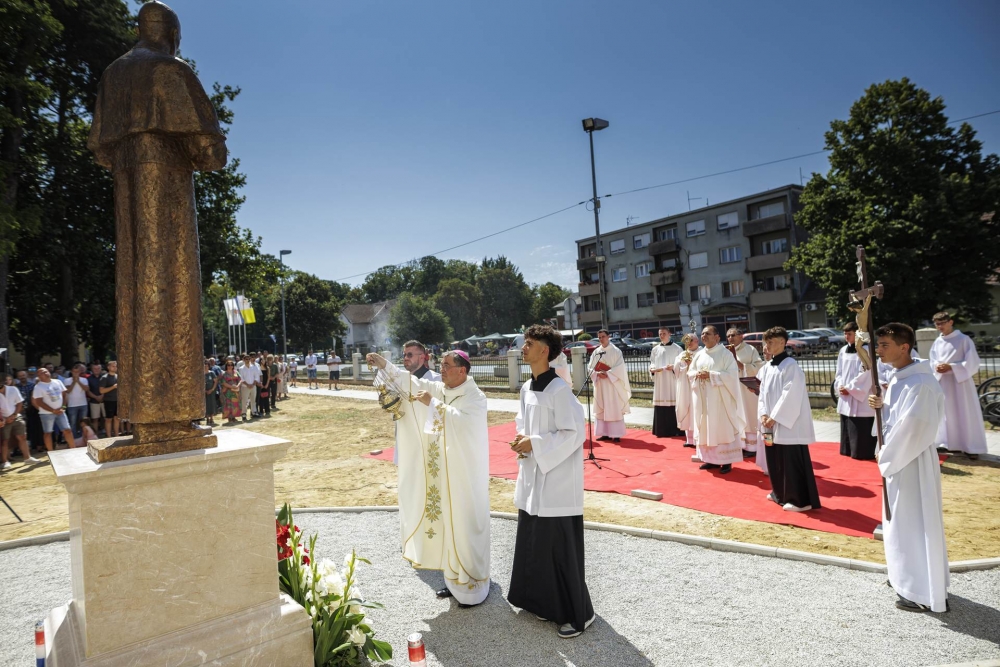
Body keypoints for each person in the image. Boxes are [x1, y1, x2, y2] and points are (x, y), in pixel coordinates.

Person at [367, 349, 491, 607]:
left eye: (446, 365)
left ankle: (472, 585)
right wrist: (384, 365)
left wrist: (432, 405)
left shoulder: (475, 397)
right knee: (446, 524)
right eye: (442, 365)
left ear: (462, 370)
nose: (441, 369)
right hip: (443, 474)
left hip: (464, 477)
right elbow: (412, 381)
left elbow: (466, 425)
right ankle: (452, 580)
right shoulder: (443, 389)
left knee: (464, 525)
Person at [508, 325, 594, 638]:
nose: (523, 348)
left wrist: (537, 443)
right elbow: (523, 423)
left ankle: (579, 612)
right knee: (536, 545)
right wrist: (522, 440)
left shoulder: (560, 391)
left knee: (559, 549)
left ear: (545, 351)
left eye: (529, 344)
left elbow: (574, 433)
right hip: (532, 478)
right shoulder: (526, 388)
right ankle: (544, 604)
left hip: (557, 482)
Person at [868, 322, 949, 613]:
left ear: (905, 347)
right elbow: (894, 420)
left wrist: (886, 456)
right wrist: (880, 405)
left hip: (911, 462)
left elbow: (915, 428)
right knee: (900, 523)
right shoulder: (901, 378)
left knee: (914, 522)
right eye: (878, 345)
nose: (878, 350)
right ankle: (904, 578)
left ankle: (921, 591)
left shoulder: (922, 383)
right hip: (899, 460)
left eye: (884, 345)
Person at [757, 327, 821, 512]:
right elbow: (762, 393)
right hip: (770, 422)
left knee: (791, 460)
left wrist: (775, 417)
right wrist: (763, 413)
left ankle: (800, 500)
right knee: (775, 459)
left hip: (787, 424)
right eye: (766, 342)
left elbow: (790, 394)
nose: (767, 346)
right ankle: (779, 493)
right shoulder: (768, 367)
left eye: (772, 342)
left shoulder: (790, 365)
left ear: (783, 343)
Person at [929, 311, 987, 459]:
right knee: (945, 413)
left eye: (942, 323)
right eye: (937, 324)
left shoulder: (964, 339)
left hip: (960, 383)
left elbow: (972, 362)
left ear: (951, 322)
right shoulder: (937, 342)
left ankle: (970, 447)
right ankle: (949, 443)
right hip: (943, 382)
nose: (940, 326)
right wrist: (937, 366)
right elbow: (932, 360)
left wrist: (952, 367)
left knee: (964, 412)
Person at [688, 326, 745, 474]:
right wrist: (697, 374)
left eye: (708, 334)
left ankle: (726, 461)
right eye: (703, 334)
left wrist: (711, 375)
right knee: (706, 427)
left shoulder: (725, 354)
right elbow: (690, 372)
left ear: (717, 337)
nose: (704, 336)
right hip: (704, 399)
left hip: (721, 400)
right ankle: (710, 459)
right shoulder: (699, 355)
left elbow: (732, 376)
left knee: (721, 428)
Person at [835, 322, 877, 460]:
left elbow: (866, 372)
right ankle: (847, 449)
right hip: (846, 394)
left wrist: (851, 388)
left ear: (857, 334)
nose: (846, 336)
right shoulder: (842, 351)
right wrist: (841, 385)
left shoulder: (866, 350)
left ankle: (862, 452)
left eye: (850, 334)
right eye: (845, 333)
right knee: (847, 421)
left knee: (861, 423)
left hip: (861, 395)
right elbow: (839, 372)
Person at [587, 330, 631, 443]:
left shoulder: (616, 351)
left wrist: (608, 373)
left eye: (603, 336)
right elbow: (590, 367)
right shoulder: (596, 352)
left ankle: (616, 434)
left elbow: (620, 367)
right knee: (602, 407)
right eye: (599, 337)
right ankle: (604, 433)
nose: (601, 339)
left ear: (608, 337)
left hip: (612, 385)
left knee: (613, 407)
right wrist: (596, 374)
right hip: (601, 385)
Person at [726, 328, 764, 457]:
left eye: (733, 335)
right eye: (728, 336)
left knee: (748, 415)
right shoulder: (723, 351)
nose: (731, 338)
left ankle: (751, 447)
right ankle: (738, 445)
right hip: (731, 389)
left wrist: (741, 365)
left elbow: (759, 366)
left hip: (746, 390)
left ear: (741, 336)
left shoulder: (750, 350)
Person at [649, 327, 683, 438]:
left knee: (673, 402)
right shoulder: (655, 349)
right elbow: (652, 362)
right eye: (660, 334)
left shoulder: (677, 349)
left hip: (672, 380)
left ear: (669, 334)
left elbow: (683, 365)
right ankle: (661, 430)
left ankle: (675, 430)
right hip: (660, 381)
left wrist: (674, 367)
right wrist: (652, 368)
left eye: (664, 333)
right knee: (660, 403)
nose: (662, 335)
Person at [31, 367, 75, 451]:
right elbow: (39, 402)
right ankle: (51, 452)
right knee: (48, 433)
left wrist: (63, 407)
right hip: (46, 413)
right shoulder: (38, 387)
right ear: (39, 376)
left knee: (67, 430)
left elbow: (64, 395)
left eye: (46, 371)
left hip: (60, 411)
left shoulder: (58, 382)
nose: (45, 373)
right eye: (42, 373)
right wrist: (53, 410)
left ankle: (73, 449)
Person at [1, 374, 40, 467]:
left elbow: (19, 403)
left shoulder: (13, 389)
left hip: (16, 417)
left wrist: (13, 415)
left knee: (22, 437)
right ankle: (4, 461)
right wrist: (4, 419)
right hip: (3, 420)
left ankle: (27, 458)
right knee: (4, 441)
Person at [675, 333, 699, 448]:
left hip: (696, 387)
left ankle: (697, 439)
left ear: (697, 341)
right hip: (684, 386)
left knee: (696, 410)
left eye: (691, 340)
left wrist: (691, 365)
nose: (689, 343)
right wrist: (683, 365)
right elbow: (676, 371)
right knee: (686, 409)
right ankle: (689, 439)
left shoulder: (702, 353)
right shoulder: (682, 354)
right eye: (687, 341)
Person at [63, 363, 89, 439]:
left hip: (83, 404)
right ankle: (74, 438)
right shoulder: (67, 380)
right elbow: (68, 391)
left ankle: (83, 437)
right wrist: (74, 381)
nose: (76, 373)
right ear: (71, 372)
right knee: (72, 423)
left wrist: (78, 381)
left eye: (77, 372)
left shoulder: (84, 380)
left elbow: (86, 389)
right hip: (72, 405)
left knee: (84, 422)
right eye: (74, 372)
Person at [99, 361, 120, 438]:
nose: (115, 367)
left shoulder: (118, 376)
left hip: (117, 400)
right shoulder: (104, 378)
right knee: (108, 419)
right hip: (109, 401)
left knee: (117, 418)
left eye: (116, 366)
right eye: (113, 366)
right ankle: (109, 436)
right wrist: (113, 387)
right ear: (108, 367)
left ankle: (117, 435)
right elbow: (101, 391)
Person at [238, 353, 260, 420]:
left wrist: (253, 384)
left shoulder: (254, 367)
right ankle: (244, 414)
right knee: (244, 401)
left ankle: (254, 412)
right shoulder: (241, 368)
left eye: (248, 359)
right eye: (246, 359)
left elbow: (256, 377)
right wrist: (247, 385)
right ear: (243, 360)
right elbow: (241, 378)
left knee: (253, 400)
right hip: (245, 387)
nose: (247, 360)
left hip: (253, 386)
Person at [86, 361, 106, 433]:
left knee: (106, 418)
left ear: (101, 369)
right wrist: (96, 397)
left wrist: (102, 395)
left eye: (98, 368)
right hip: (93, 401)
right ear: (92, 369)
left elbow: (107, 388)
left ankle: (106, 432)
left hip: (105, 400)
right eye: (95, 368)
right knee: (95, 418)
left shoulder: (105, 377)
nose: (96, 370)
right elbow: (88, 391)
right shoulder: (88, 379)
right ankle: (96, 434)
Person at [204, 360, 219, 426]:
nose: (206, 367)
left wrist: (212, 389)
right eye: (204, 366)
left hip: (211, 392)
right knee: (206, 405)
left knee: (212, 404)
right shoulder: (201, 374)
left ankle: (212, 418)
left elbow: (215, 382)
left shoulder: (212, 373)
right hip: (204, 392)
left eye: (207, 366)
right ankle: (207, 418)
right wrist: (204, 391)